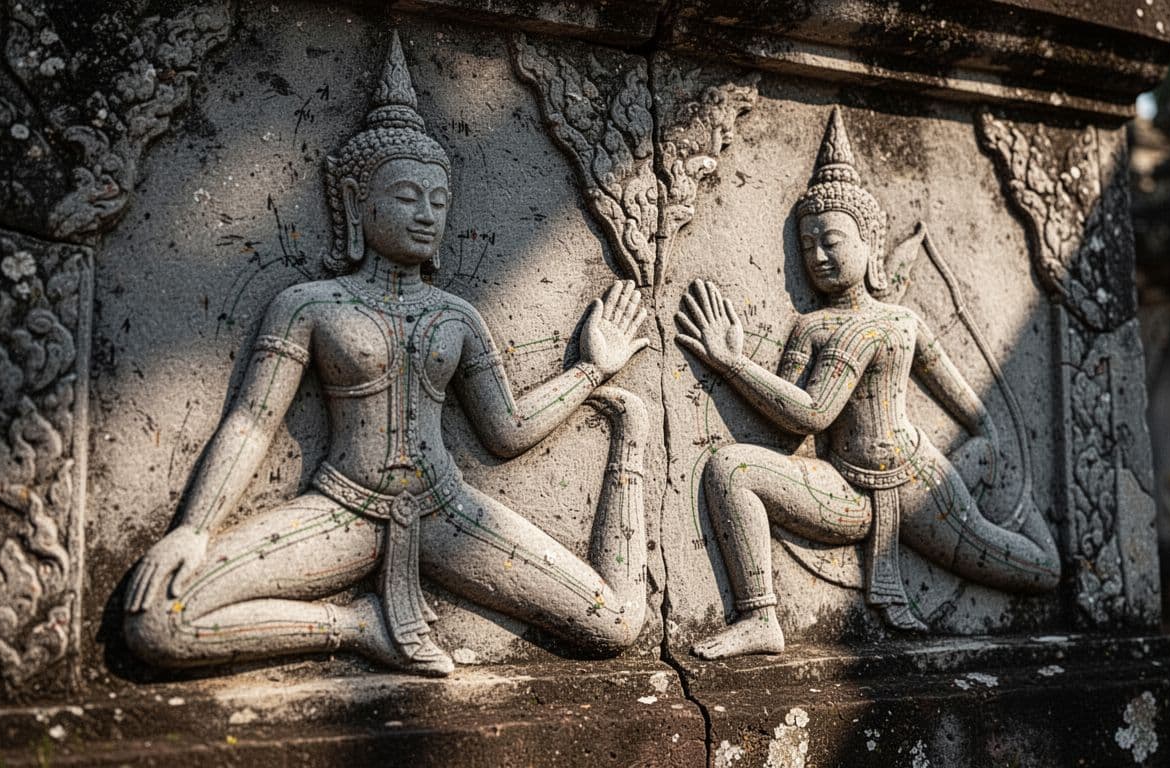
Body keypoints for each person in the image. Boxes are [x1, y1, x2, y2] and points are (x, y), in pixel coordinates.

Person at [125, 33, 652, 676]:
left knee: (619, 623)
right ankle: (354, 627)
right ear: (355, 202)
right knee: (157, 623)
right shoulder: (307, 305)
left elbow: (506, 430)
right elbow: (251, 423)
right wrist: (193, 529)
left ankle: (638, 442)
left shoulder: (457, 317)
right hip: (344, 508)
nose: (427, 214)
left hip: (447, 512)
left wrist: (593, 369)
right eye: (406, 197)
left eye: (438, 200)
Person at [675, 109, 1061, 660]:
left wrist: (733, 364)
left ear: (869, 240)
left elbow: (829, 408)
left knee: (1040, 570)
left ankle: (1022, 517)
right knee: (730, 469)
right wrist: (747, 374)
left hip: (920, 486)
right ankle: (760, 615)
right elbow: (794, 428)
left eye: (831, 240)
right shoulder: (812, 328)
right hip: (845, 486)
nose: (819, 256)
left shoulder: (898, 324)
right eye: (808, 246)